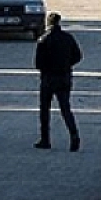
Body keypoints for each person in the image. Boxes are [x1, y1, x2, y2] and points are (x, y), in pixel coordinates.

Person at [33, 12, 82, 151]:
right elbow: (78, 56)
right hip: (64, 77)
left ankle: (45, 139)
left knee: (44, 110)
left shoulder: (43, 40)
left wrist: (47, 68)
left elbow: (38, 63)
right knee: (66, 108)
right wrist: (67, 65)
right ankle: (74, 135)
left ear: (48, 23)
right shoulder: (68, 38)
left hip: (48, 78)